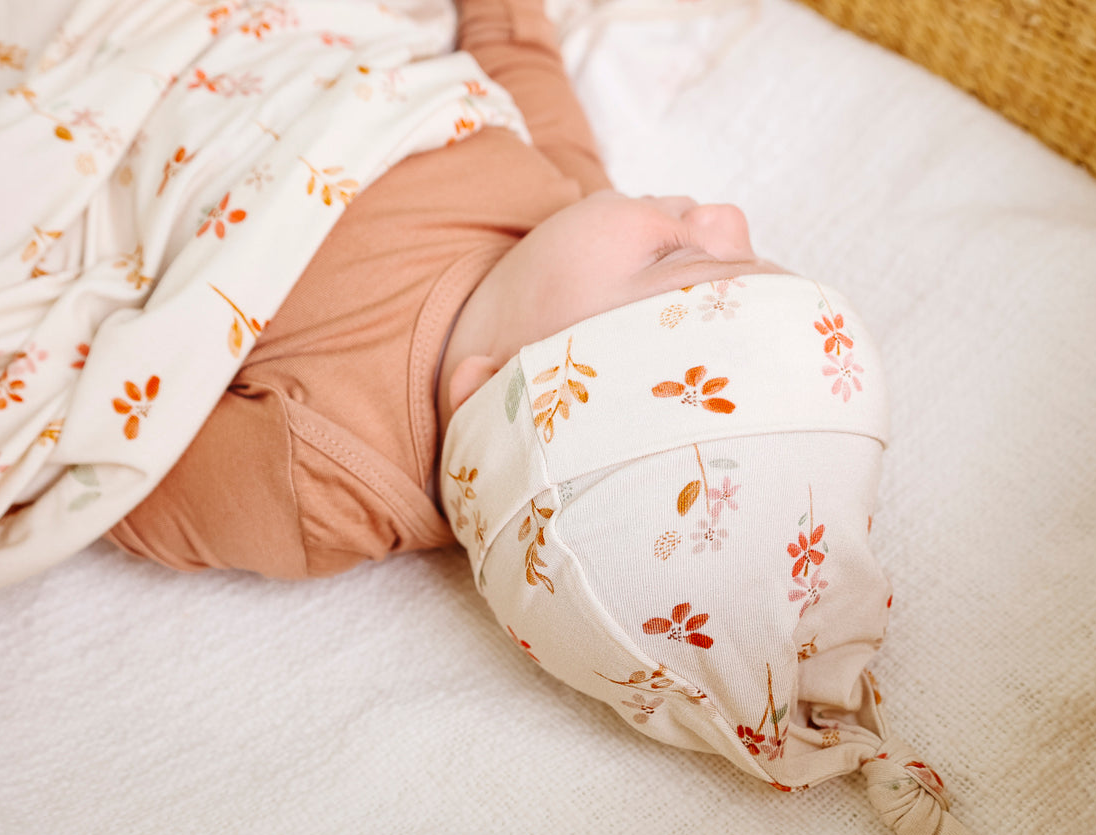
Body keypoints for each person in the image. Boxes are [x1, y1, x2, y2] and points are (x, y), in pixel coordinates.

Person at [105, 0, 783, 578]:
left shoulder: (322, 476)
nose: (729, 217)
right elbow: (520, 59)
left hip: (121, 105)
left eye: (675, 255)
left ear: (493, 387)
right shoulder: (571, 215)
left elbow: (93, 471)